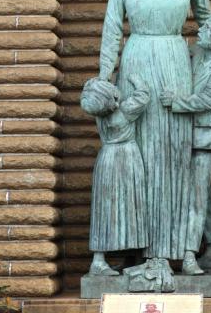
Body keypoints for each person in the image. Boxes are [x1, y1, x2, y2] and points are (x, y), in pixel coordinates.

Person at [98, 0, 211, 268]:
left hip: (175, 63)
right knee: (137, 158)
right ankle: (136, 248)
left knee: (175, 155)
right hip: (136, 62)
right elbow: (112, 25)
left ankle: (177, 250)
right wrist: (105, 76)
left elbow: (207, 21)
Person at [160, 12, 211, 274]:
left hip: (203, 140)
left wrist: (176, 101)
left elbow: (207, 100)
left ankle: (189, 256)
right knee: (202, 197)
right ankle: (210, 251)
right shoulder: (200, 51)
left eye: (207, 28)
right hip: (182, 135)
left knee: (196, 200)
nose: (200, 29)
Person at [80, 75, 150, 275]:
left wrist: (98, 82)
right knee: (131, 207)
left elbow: (93, 90)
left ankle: (104, 258)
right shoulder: (124, 111)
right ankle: (106, 261)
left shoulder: (99, 114)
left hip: (106, 159)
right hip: (125, 158)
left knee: (105, 209)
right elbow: (143, 96)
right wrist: (136, 80)